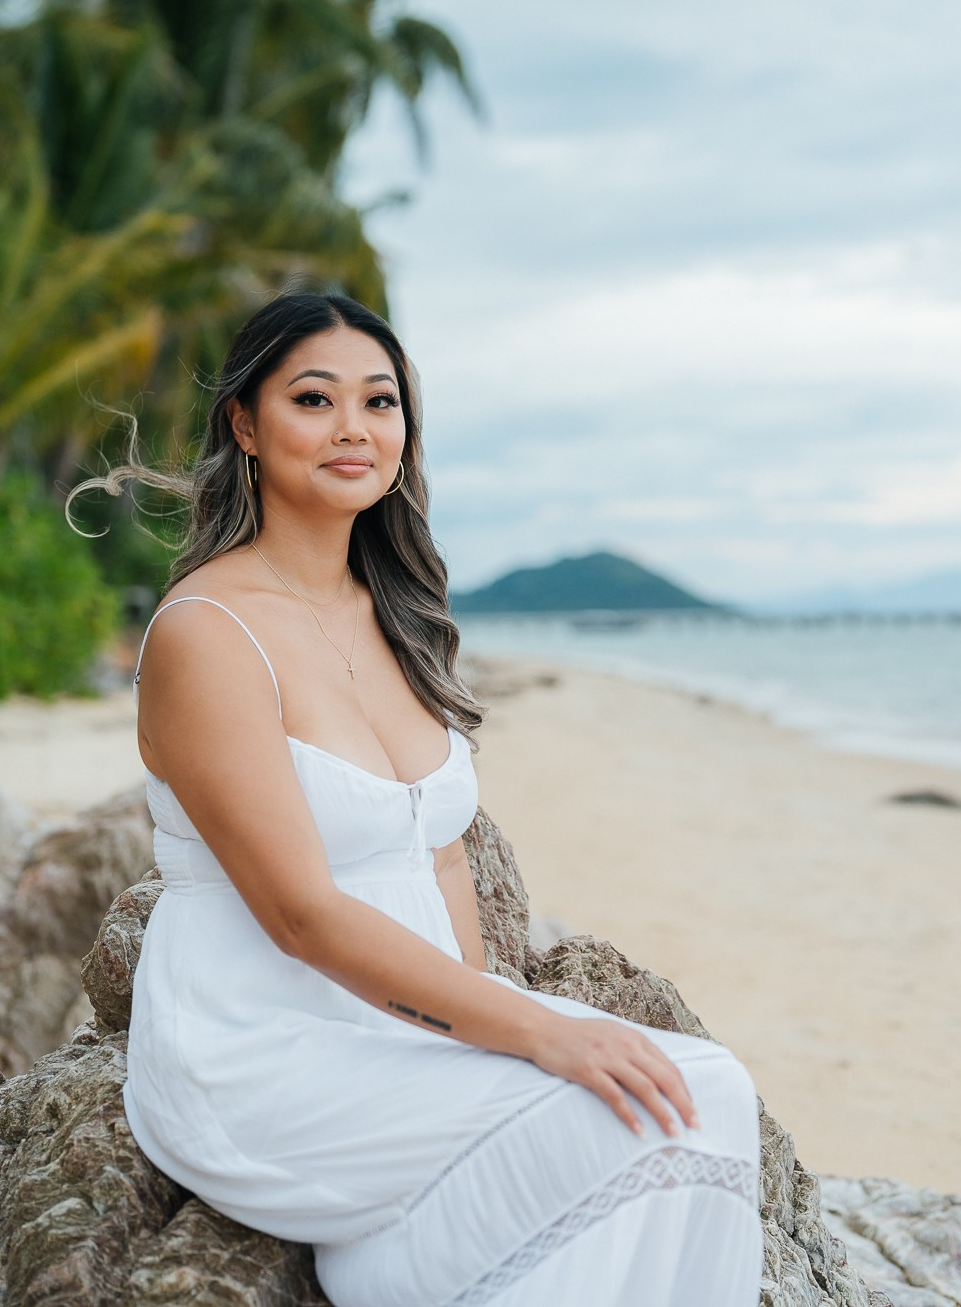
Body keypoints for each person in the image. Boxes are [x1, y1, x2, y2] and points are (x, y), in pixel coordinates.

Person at [73, 292, 764, 1305]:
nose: (355, 428)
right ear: (246, 426)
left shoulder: (401, 615)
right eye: (315, 398)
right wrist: (529, 1031)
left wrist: (490, 1017)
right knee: (655, 1098)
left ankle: (397, 1268)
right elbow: (299, 914)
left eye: (380, 402)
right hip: (261, 1044)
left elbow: (440, 855)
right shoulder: (208, 632)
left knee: (703, 1091)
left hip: (410, 1028)